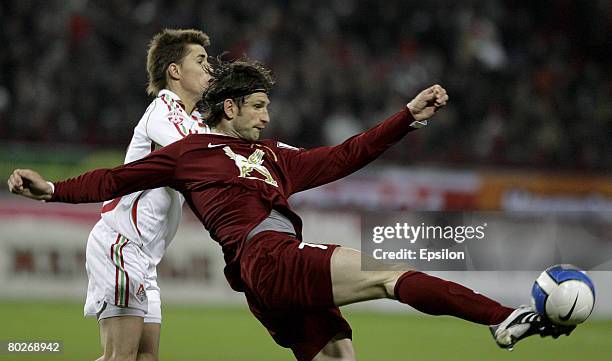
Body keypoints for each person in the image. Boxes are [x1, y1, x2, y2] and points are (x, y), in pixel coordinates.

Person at [8, 59, 574, 361]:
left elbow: (348, 154)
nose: (266, 117)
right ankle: (501, 318)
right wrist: (52, 190)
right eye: (257, 106)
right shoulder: (190, 154)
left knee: (337, 352)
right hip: (269, 257)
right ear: (228, 107)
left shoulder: (275, 157)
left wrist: (407, 115)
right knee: (387, 276)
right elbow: (116, 178)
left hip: (263, 284)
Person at [74, 28, 212, 361]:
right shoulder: (162, 113)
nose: (210, 68)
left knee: (146, 357)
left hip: (145, 258)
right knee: (120, 358)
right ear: (175, 71)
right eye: (201, 60)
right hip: (122, 244)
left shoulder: (196, 123)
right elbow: (197, 159)